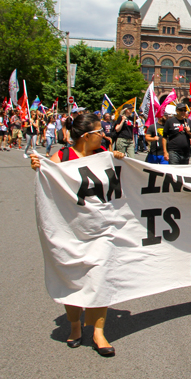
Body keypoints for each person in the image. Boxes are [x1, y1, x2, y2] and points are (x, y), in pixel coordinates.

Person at [30, 113, 125, 356]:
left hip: (102, 230)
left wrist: (119, 160)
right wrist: (39, 167)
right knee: (73, 279)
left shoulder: (103, 155)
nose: (103, 135)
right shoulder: (61, 157)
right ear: (85, 136)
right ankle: (74, 325)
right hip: (70, 231)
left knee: (103, 277)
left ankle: (98, 332)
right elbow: (48, 182)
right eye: (98, 131)